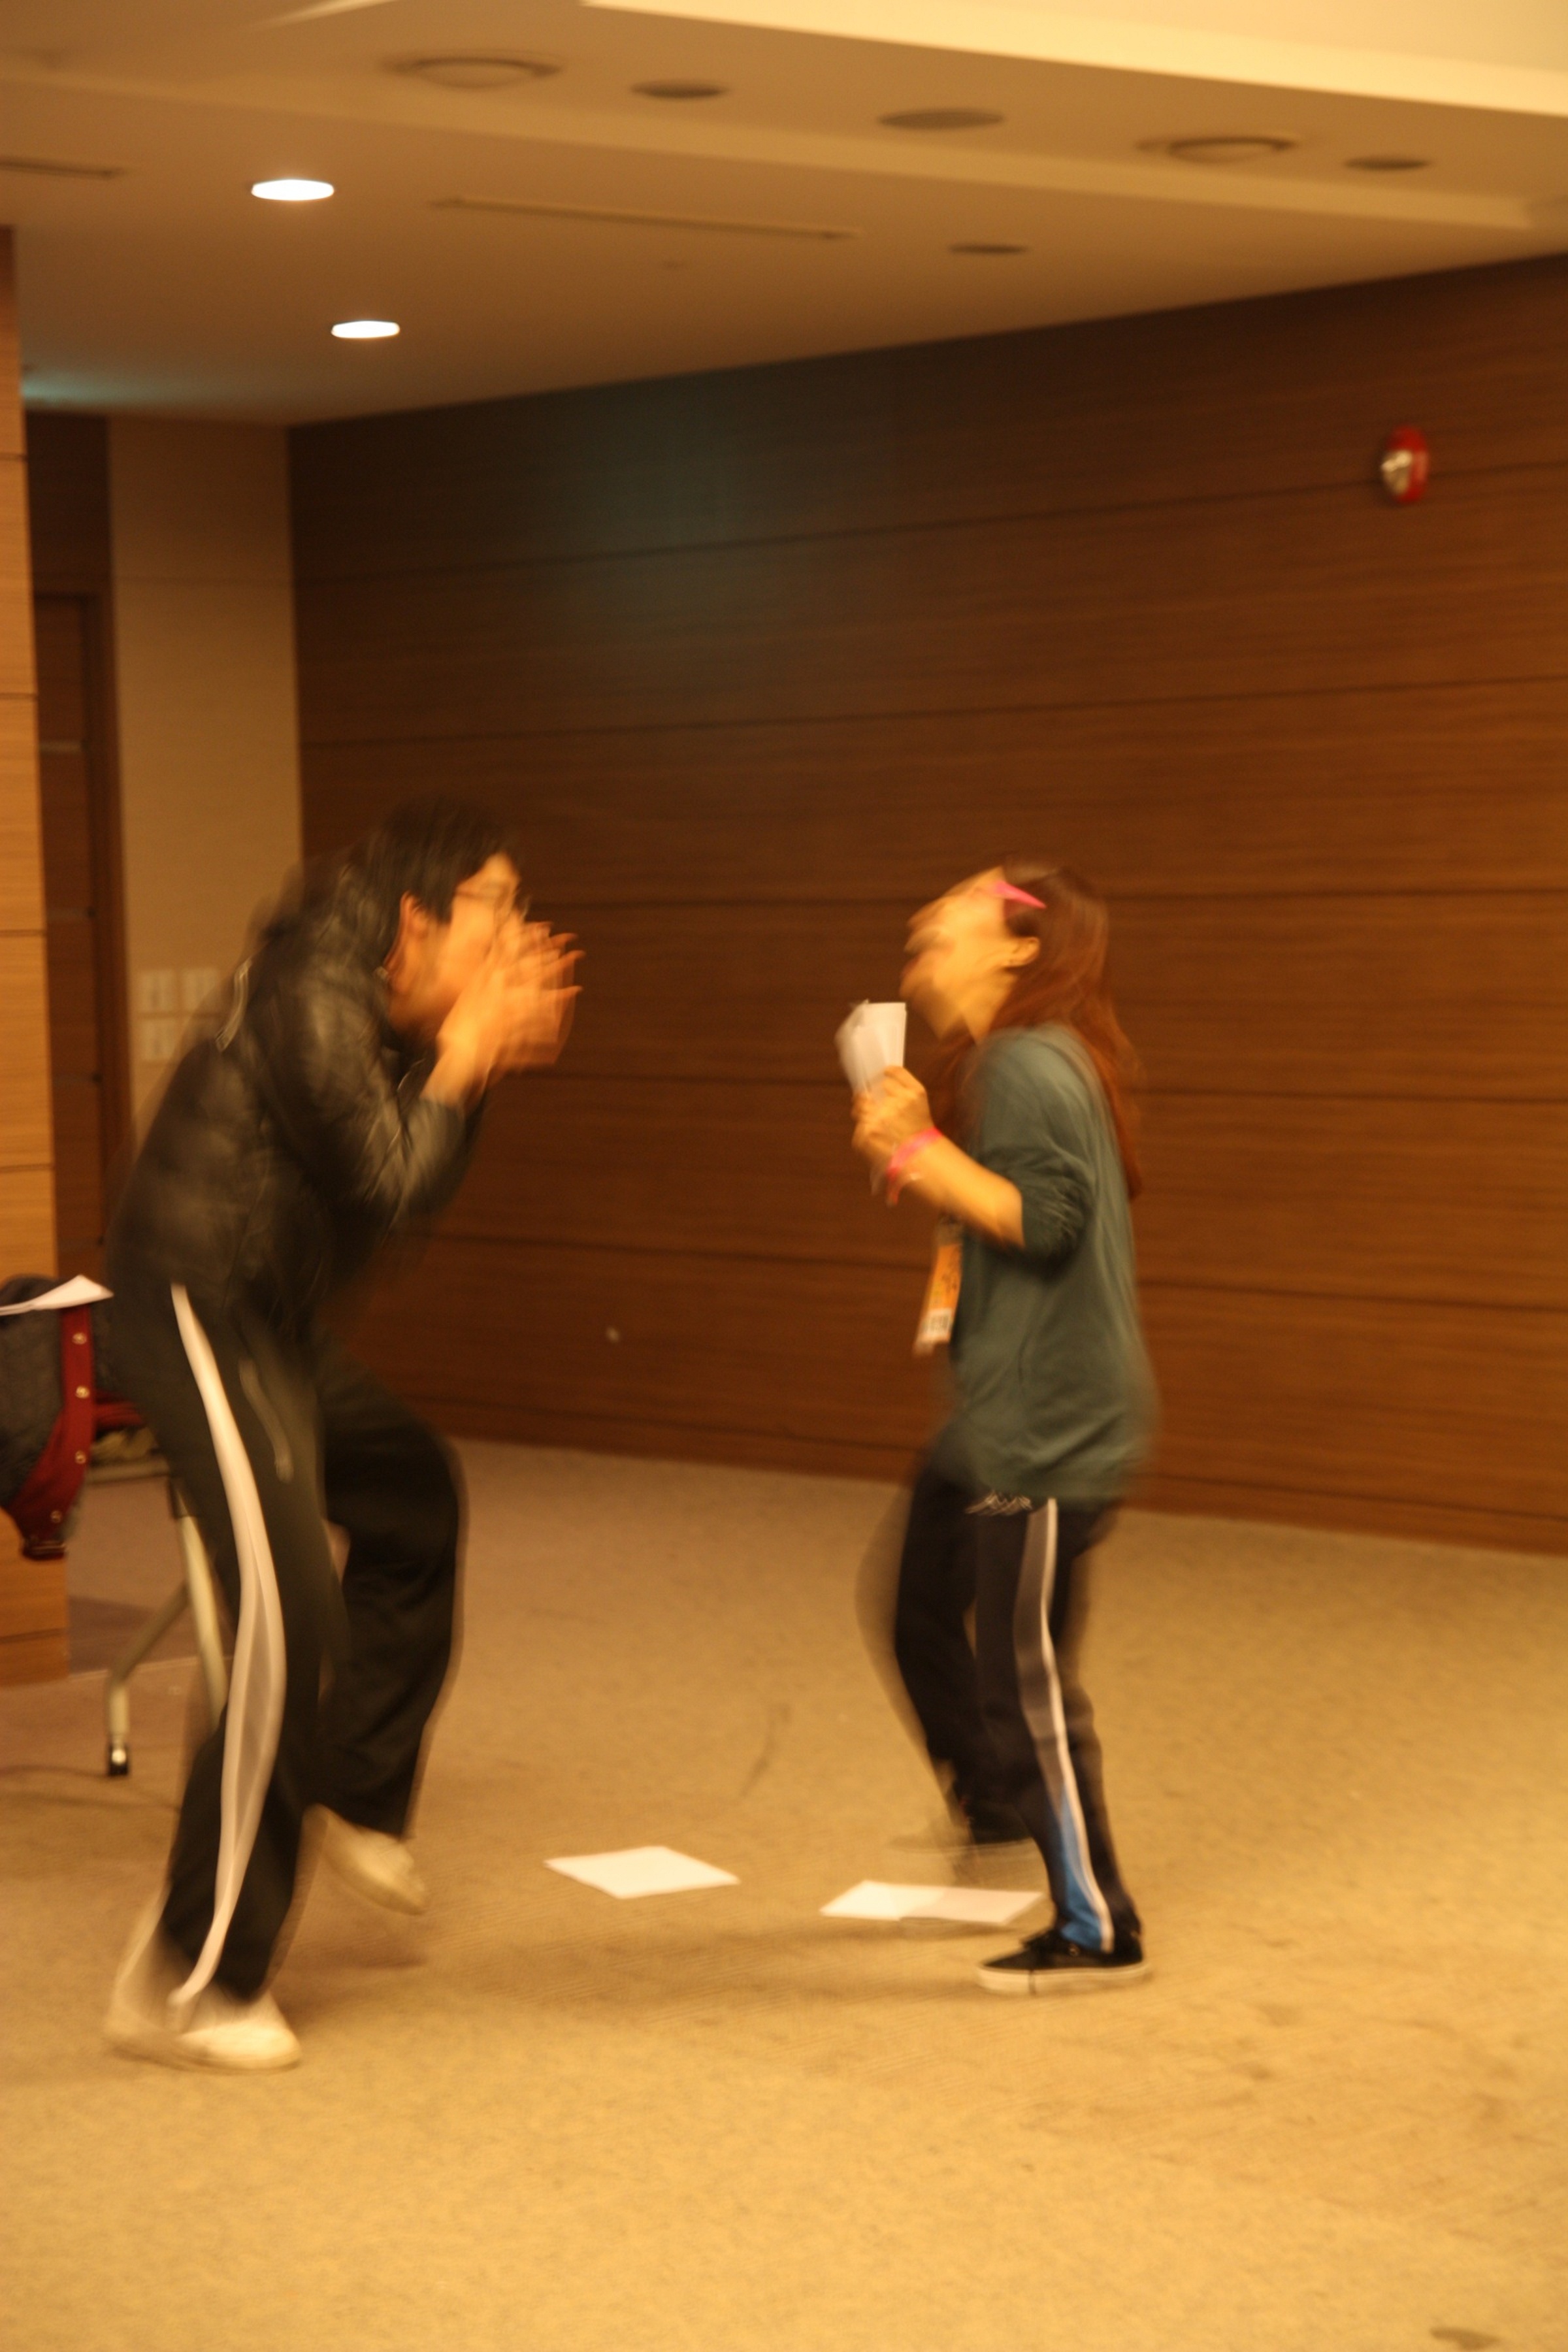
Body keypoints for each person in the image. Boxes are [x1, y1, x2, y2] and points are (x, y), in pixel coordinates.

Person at [103, 798, 577, 2070]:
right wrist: (469, 1053)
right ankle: (192, 1979)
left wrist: (473, 1060)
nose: (513, 935)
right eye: (493, 909)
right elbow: (386, 1177)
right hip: (193, 1302)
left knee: (414, 1496)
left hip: (273, 1315)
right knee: (287, 1615)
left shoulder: (395, 1005)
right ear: (416, 918)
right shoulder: (315, 984)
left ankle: (356, 1791)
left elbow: (406, 1196)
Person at [852, 864, 1155, 1993]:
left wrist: (917, 1149)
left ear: (1022, 948)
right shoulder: (1013, 1060)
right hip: (1001, 1411)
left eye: (963, 907)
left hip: (1046, 1428)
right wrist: (927, 1157)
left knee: (1022, 1684)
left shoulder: (1028, 1062)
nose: (932, 915)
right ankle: (996, 1815)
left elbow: (1049, 1220)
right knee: (917, 1607)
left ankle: (1098, 1926)